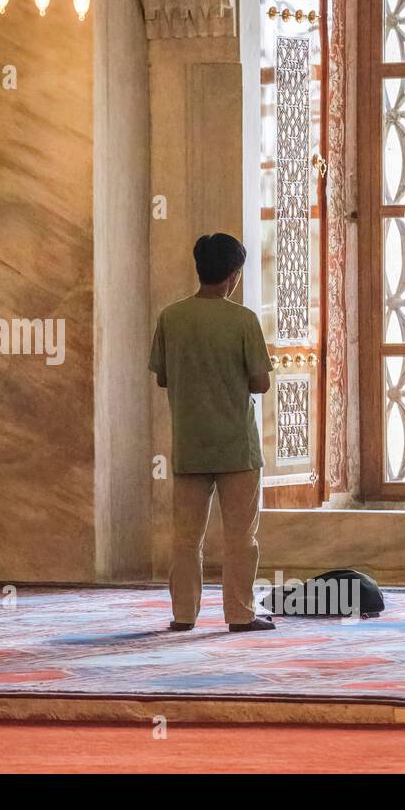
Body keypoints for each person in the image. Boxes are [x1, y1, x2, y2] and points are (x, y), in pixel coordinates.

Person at [149, 233, 275, 633]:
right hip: (237, 446)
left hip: (190, 444)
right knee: (241, 538)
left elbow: (163, 378)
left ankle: (183, 615)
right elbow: (260, 383)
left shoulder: (172, 317)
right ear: (234, 275)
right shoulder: (243, 319)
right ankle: (240, 613)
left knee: (186, 538)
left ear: (199, 267)